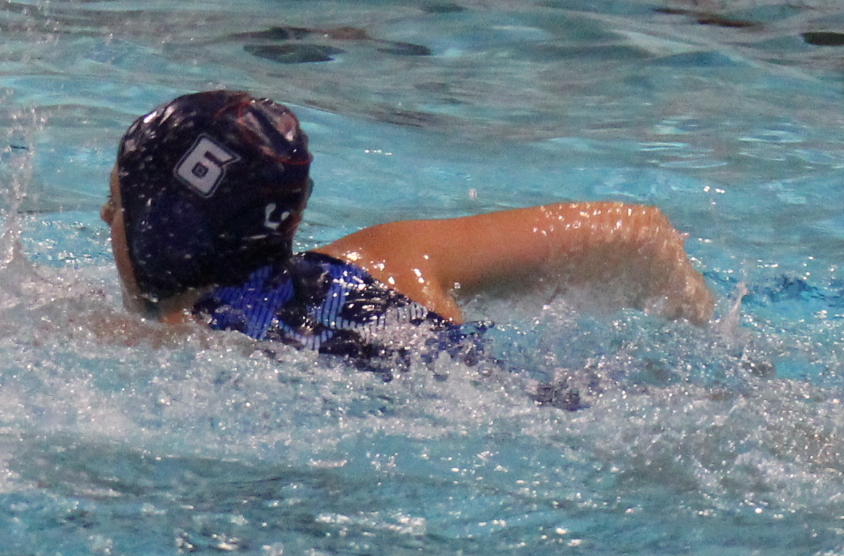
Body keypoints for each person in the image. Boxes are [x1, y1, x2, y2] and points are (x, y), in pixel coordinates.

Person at [102, 91, 714, 369]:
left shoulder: (173, 348)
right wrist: (709, 341)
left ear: (167, 226)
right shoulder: (389, 259)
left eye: (118, 203)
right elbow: (641, 233)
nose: (106, 219)